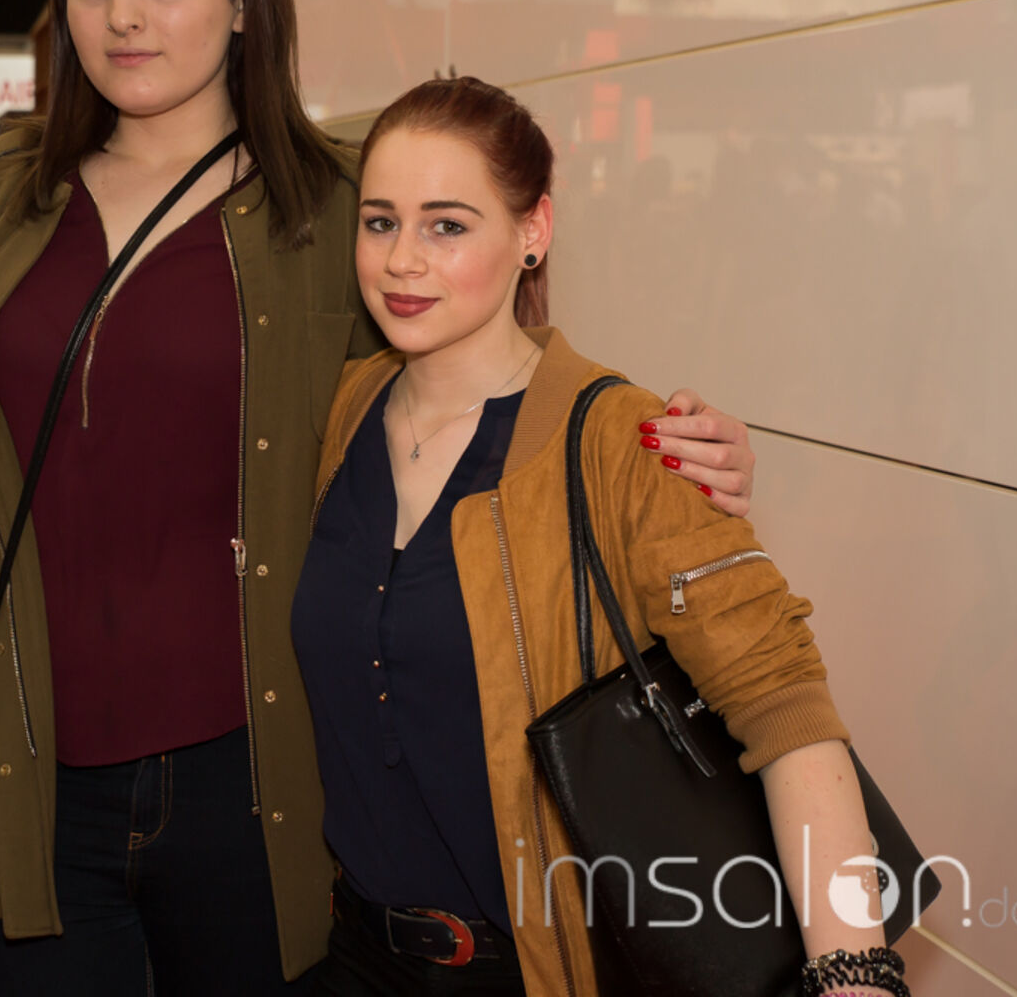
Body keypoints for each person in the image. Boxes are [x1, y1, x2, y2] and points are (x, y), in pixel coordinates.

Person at [0, 0, 759, 995]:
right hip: (30, 767)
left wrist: (654, 448)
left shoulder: (335, 202)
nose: (122, 15)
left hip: (256, 776)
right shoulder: (4, 189)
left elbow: (475, 372)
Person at [293, 77, 901, 997]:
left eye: (447, 225)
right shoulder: (342, 411)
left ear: (533, 230)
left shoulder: (624, 441)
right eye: (381, 223)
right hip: (352, 956)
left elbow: (785, 709)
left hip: (539, 972)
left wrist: (855, 974)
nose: (402, 260)